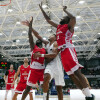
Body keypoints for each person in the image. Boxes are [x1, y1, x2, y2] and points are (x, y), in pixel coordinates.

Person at [39, 3, 95, 100]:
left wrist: (65, 11)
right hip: (63, 53)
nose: (61, 18)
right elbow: (48, 20)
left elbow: (73, 18)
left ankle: (89, 95)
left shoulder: (69, 27)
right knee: (72, 76)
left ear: (67, 20)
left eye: (63, 17)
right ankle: (87, 95)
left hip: (68, 49)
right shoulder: (59, 27)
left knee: (77, 73)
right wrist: (41, 9)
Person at [22, 19, 65, 100]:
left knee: (58, 88)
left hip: (53, 66)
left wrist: (42, 55)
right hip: (42, 67)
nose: (49, 36)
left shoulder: (54, 44)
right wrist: (30, 26)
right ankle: (45, 98)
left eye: (51, 35)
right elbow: (37, 35)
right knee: (43, 80)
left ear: (55, 38)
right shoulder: (44, 44)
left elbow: (54, 55)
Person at [21, 17, 46, 100]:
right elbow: (30, 35)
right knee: (28, 88)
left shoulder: (44, 49)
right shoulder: (33, 47)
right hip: (34, 70)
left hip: (42, 70)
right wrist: (30, 24)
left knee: (45, 88)